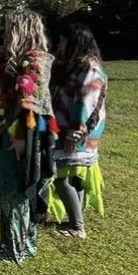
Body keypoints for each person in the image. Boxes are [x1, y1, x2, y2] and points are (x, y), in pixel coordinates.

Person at [0, 10, 59, 263]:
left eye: (9, 29)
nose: (5, 34)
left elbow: (27, 103)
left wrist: (7, 126)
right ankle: (22, 242)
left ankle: (14, 248)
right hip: (8, 134)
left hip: (22, 135)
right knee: (12, 191)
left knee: (16, 193)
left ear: (20, 31)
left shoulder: (36, 62)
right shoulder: (11, 59)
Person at [47, 24, 107, 239]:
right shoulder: (77, 65)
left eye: (63, 41)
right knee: (72, 176)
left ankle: (77, 226)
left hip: (77, 132)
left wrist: (74, 133)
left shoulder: (89, 69)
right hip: (69, 129)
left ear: (75, 42)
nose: (60, 44)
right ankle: (76, 220)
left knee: (61, 177)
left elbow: (84, 104)